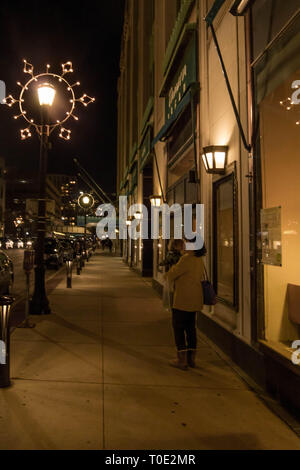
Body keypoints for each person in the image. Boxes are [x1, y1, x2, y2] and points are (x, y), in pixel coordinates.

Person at [165, 242, 207, 370]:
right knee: (191, 328)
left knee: (178, 328)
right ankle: (191, 359)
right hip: (195, 299)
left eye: (186, 243)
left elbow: (171, 274)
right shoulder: (199, 259)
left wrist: (170, 269)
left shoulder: (186, 259)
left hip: (183, 299)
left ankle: (181, 359)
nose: (184, 245)